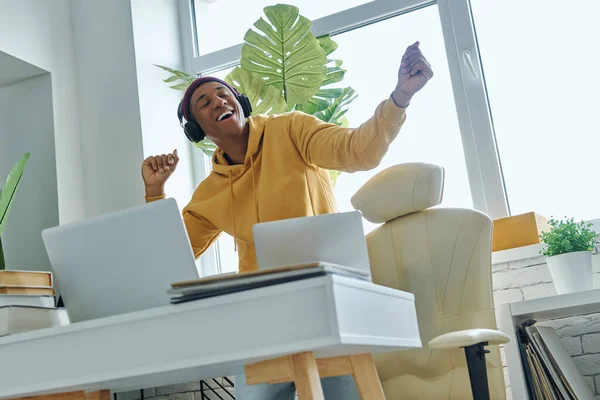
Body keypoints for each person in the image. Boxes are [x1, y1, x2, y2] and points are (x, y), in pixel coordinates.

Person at [141, 41, 433, 399]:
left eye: (223, 94)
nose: (218, 101)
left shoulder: (292, 130)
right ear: (196, 131)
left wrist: (401, 95)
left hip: (325, 303)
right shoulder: (210, 191)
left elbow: (358, 150)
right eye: (205, 102)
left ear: (240, 103)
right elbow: (172, 255)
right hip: (263, 318)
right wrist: (155, 191)